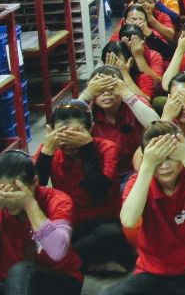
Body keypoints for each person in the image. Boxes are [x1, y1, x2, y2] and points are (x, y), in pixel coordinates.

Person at [101, 122, 185, 294]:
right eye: (159, 159)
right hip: (152, 272)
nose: (164, 166)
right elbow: (128, 220)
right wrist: (148, 166)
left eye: (171, 157)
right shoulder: (138, 182)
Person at [0, 151, 83, 295]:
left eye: (14, 192)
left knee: (21, 271)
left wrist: (30, 205)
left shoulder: (58, 201)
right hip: (12, 281)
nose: (8, 200)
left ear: (34, 183)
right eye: (0, 193)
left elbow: (57, 252)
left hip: (58, 279)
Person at [34, 101, 135, 273]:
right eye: (63, 135)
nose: (70, 143)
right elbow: (37, 188)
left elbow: (98, 191)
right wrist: (47, 152)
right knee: (54, 243)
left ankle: (76, 263)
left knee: (108, 234)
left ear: (90, 128)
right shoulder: (48, 150)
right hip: (72, 222)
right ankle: (86, 264)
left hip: (105, 219)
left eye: (77, 134)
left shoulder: (106, 148)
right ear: (51, 131)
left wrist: (88, 148)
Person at [81, 65, 160, 186]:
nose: (107, 93)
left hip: (133, 172)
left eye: (112, 88)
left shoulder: (133, 101)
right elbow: (67, 123)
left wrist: (126, 92)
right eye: (100, 89)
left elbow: (156, 124)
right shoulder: (86, 107)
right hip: (99, 172)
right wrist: (86, 94)